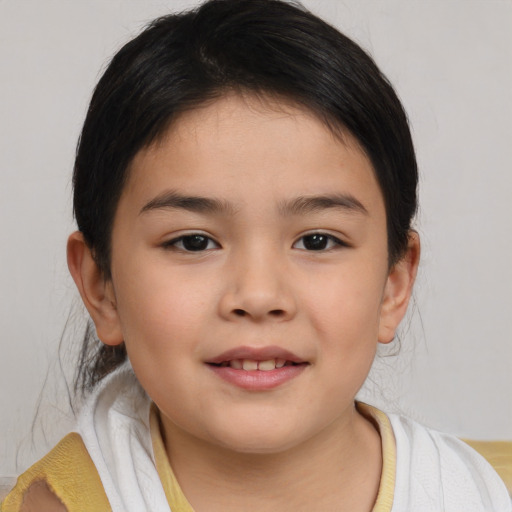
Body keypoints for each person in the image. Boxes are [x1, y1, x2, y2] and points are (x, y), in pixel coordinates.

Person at [2, 0, 510, 511]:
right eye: (194, 242)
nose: (259, 296)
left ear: (394, 284)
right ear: (101, 287)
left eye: (317, 241)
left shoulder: (467, 492)